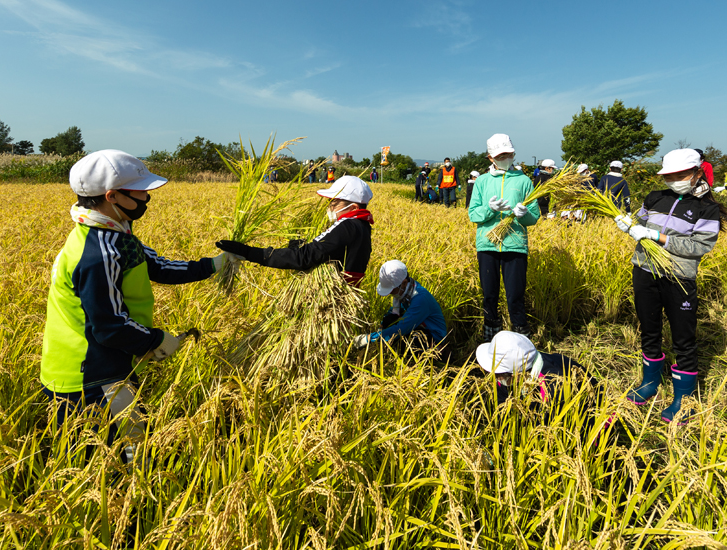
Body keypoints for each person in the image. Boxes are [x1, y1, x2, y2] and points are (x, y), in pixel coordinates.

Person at [41, 150, 236, 464]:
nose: (147, 197)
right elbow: (109, 325)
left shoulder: (116, 234)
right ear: (113, 195)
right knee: (125, 460)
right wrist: (156, 341)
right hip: (91, 376)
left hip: (104, 365)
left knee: (118, 454)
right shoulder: (100, 252)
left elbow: (158, 267)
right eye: (141, 191)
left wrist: (216, 264)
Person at [615, 149, 723, 423]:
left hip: (679, 277)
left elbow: (700, 246)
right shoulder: (654, 197)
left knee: (683, 337)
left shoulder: (706, 208)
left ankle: (684, 399)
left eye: (681, 174)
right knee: (649, 328)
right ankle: (650, 383)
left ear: (698, 172)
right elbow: (640, 222)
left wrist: (657, 236)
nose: (674, 179)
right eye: (669, 175)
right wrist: (628, 225)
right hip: (645, 270)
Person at [216, 176, 374, 286]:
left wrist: (250, 252)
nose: (329, 207)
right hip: (343, 298)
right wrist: (296, 245)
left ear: (353, 207)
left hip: (330, 306)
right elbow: (321, 253)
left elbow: (303, 258)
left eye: (334, 203)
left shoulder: (348, 226)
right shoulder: (363, 227)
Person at [469, 133, 541, 339]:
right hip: (487, 244)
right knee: (489, 295)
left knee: (515, 295)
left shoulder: (524, 181)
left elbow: (534, 216)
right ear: (490, 158)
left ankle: (521, 337)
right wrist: (489, 209)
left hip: (515, 244)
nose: (505, 159)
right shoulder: (481, 181)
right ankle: (490, 336)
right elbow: (473, 214)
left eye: (508, 154)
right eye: (500, 156)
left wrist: (524, 215)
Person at [353, 260, 447, 349]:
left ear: (404, 283)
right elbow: (395, 312)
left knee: (402, 342)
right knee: (390, 325)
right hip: (418, 326)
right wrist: (382, 326)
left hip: (433, 336)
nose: (390, 293)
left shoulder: (420, 299)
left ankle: (439, 351)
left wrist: (369, 338)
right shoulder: (407, 291)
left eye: (392, 290)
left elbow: (402, 328)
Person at [476, 330, 583, 406]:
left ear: (516, 377)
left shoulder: (553, 387)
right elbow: (501, 402)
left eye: (497, 374)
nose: (494, 377)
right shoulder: (510, 371)